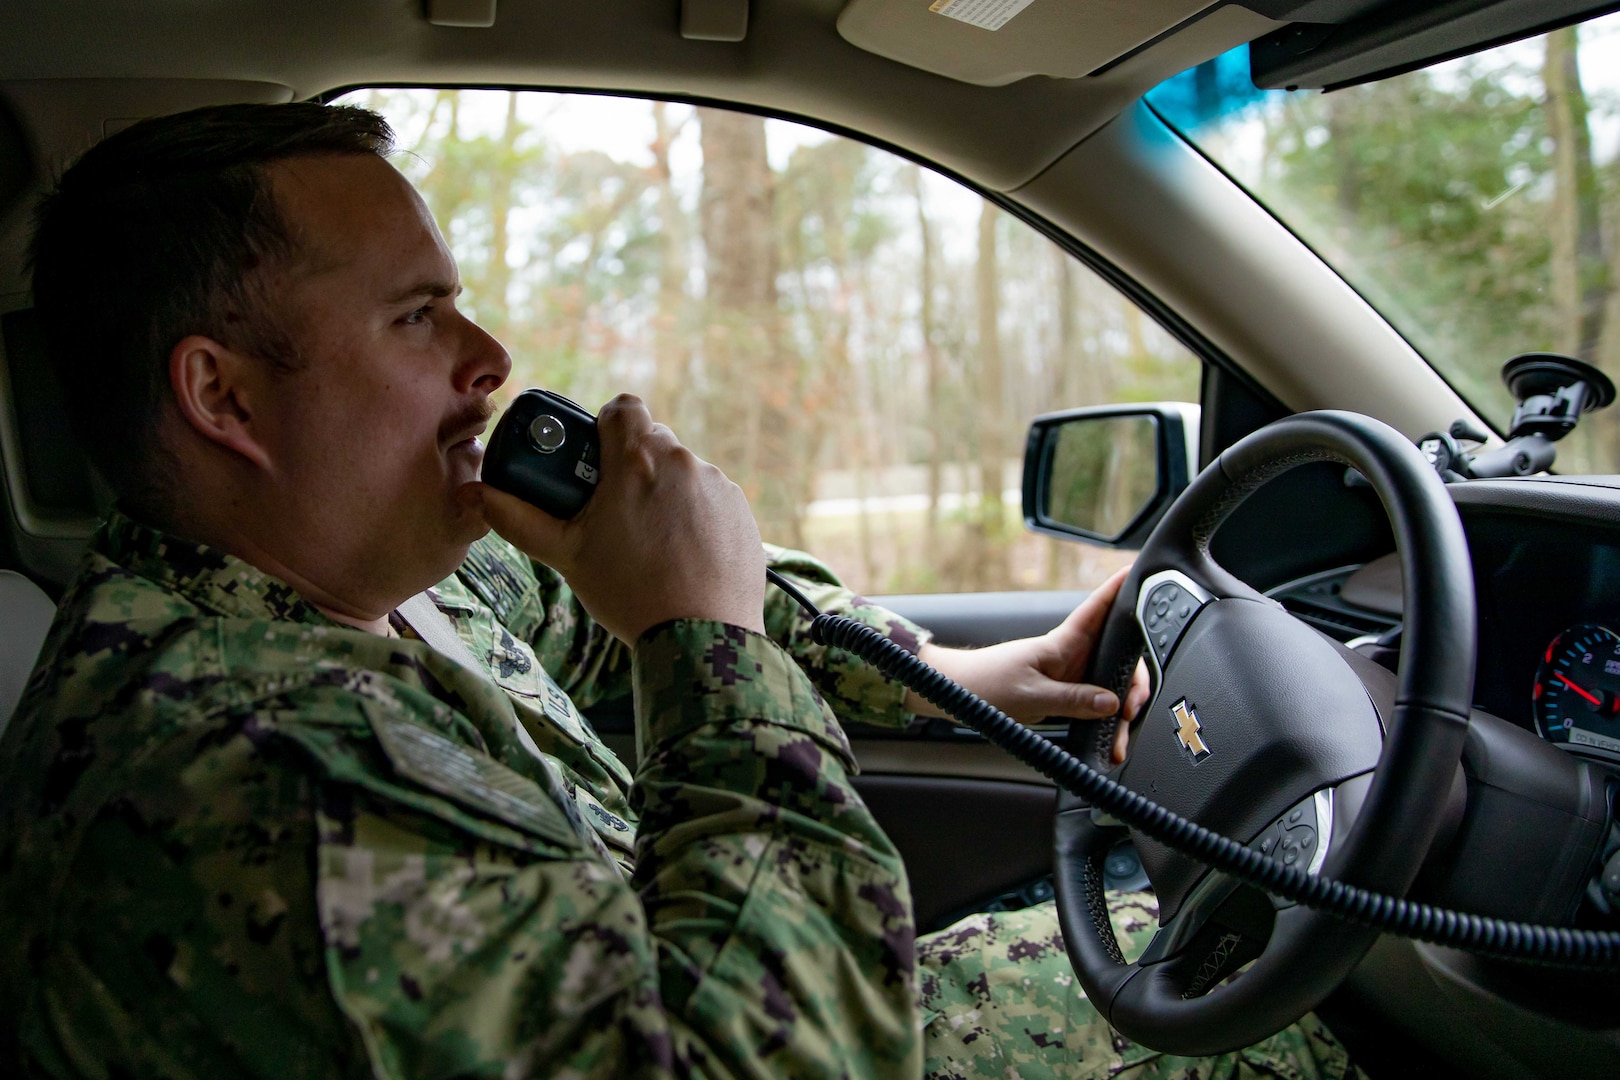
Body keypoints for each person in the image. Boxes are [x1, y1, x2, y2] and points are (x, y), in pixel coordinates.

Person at [0, 102, 1357, 1078]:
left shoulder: (398, 573)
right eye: (417, 317)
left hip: (731, 977)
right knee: (1241, 1012)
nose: (489, 356)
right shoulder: (257, 774)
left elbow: (598, 657)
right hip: (764, 1028)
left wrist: (942, 678)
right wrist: (699, 630)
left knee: (1193, 952)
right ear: (223, 394)